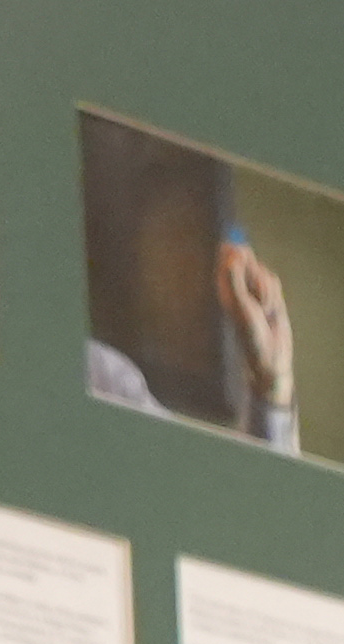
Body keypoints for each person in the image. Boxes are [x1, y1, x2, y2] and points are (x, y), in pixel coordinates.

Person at [90, 150, 305, 455]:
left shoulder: (112, 380)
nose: (185, 269)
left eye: (196, 248)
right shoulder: (94, 372)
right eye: (168, 245)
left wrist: (271, 385)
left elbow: (234, 500)